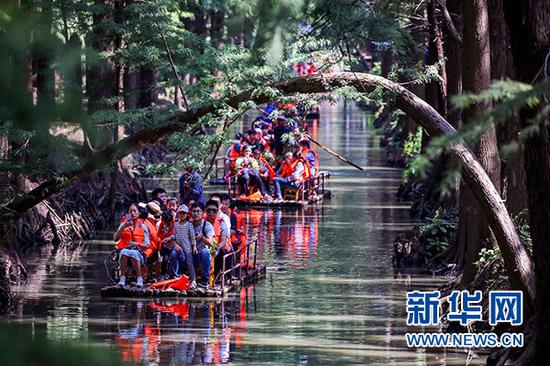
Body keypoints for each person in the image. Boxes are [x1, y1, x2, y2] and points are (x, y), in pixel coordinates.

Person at [114, 204, 150, 287]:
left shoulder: (143, 227)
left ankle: (139, 278)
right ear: (128, 214)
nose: (133, 213)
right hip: (125, 252)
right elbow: (115, 239)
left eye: (135, 211)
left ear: (139, 213)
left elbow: (147, 245)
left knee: (133, 253)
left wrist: (135, 244)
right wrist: (123, 226)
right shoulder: (123, 225)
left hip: (139, 253)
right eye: (131, 211)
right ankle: (122, 278)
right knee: (124, 251)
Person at [163, 205, 197, 288]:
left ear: (187, 214)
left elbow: (192, 237)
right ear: (177, 214)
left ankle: (193, 280)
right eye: (180, 213)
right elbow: (174, 235)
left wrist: (194, 246)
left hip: (187, 246)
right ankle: (173, 276)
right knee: (173, 255)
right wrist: (169, 238)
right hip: (178, 245)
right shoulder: (176, 224)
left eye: (184, 213)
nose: (182, 215)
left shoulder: (189, 225)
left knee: (190, 263)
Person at [204, 200, 232, 282]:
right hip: (205, 247)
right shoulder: (202, 222)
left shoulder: (222, 222)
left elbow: (224, 240)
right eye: (209, 210)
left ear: (217, 211)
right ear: (205, 211)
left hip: (219, 247)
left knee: (222, 252)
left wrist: (216, 248)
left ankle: (223, 276)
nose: (211, 213)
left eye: (214, 210)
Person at [191, 203, 214, 289]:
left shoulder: (207, 225)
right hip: (190, 253)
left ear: (202, 213)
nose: (196, 214)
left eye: (198, 211)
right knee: (176, 252)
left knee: (205, 252)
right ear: (190, 213)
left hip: (201, 254)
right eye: (194, 211)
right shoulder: (188, 225)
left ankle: (204, 281)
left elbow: (211, 243)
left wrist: (202, 238)